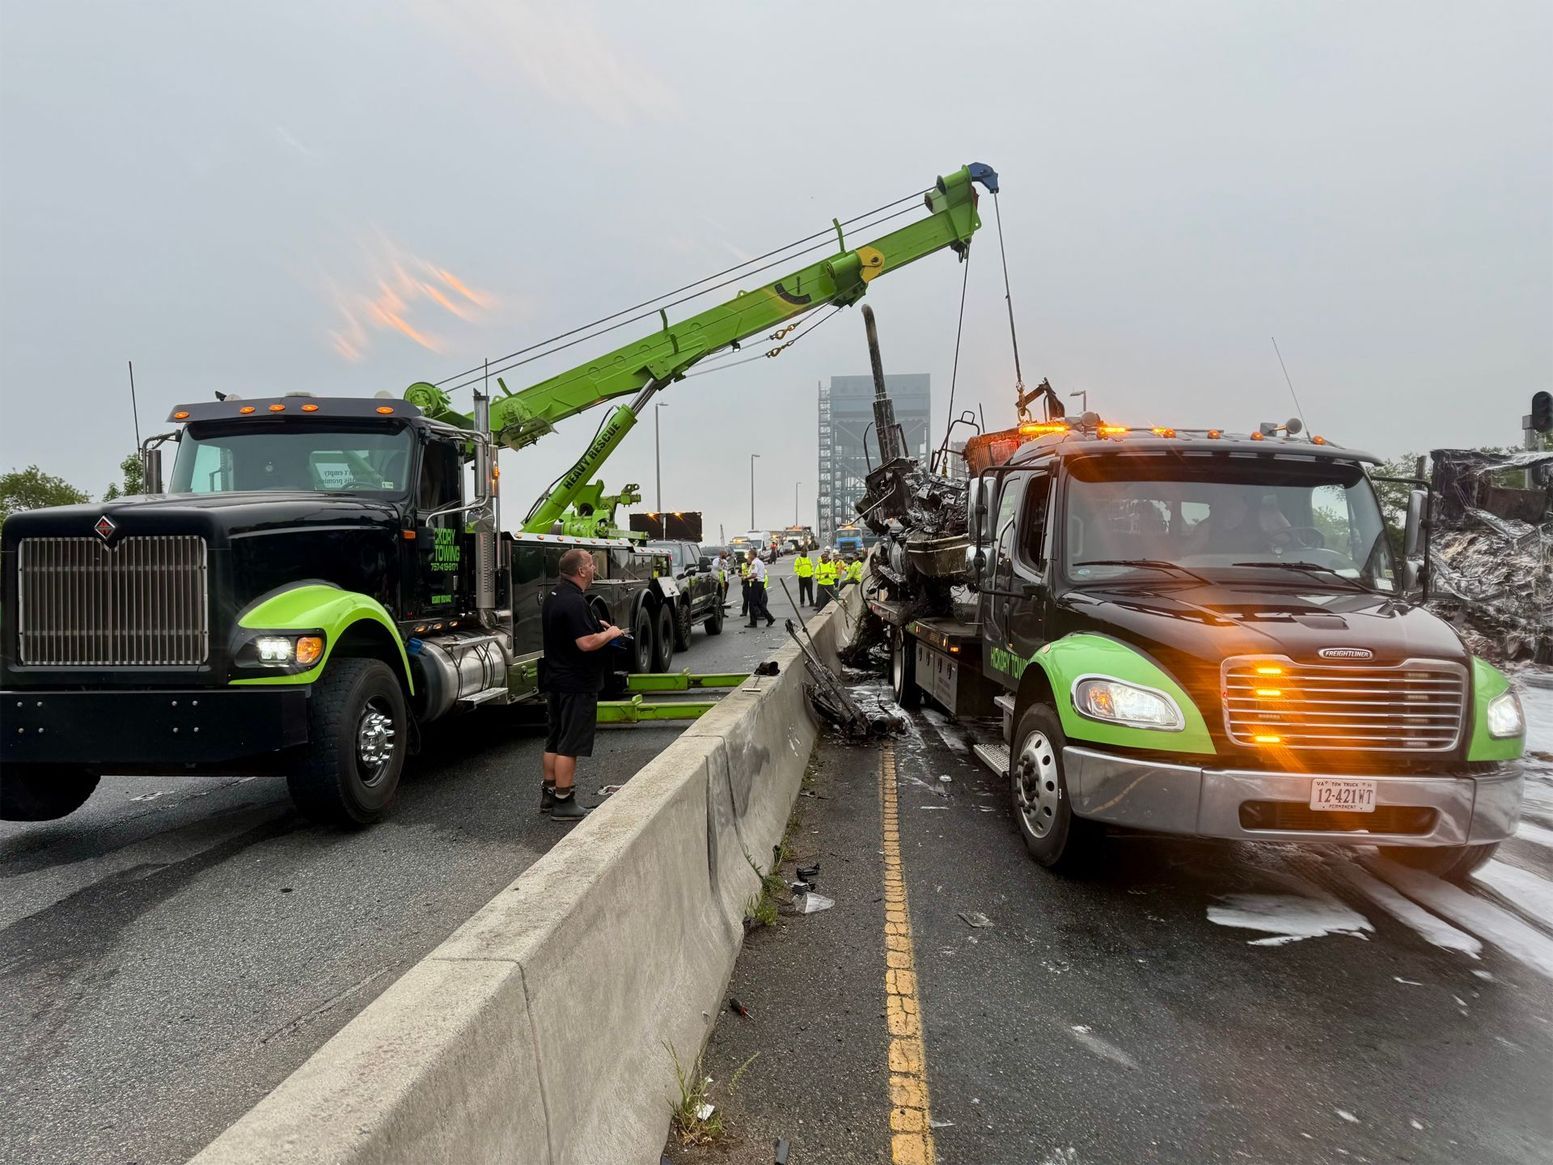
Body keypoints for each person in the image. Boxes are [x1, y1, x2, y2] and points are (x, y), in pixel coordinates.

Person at [540, 548, 626, 820]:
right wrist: (610, 632)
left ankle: (549, 794)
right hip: (576, 683)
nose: (594, 567)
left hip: (555, 679)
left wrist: (593, 625)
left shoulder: (555, 596)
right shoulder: (575, 602)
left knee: (554, 739)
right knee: (570, 743)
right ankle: (565, 801)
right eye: (590, 563)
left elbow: (571, 632)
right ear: (580, 571)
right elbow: (585, 643)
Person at [745, 548, 774, 627]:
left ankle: (753, 622)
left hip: (756, 584)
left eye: (749, 554)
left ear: (752, 555)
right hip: (760, 583)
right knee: (758, 603)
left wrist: (746, 578)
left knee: (752, 604)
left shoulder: (754, 563)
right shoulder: (760, 562)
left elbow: (754, 575)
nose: (748, 556)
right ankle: (770, 618)